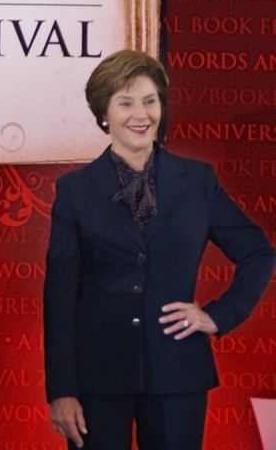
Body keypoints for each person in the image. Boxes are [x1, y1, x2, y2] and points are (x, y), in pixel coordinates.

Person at [43, 49, 275, 450]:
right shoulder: (74, 190)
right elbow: (60, 298)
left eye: (150, 101)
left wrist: (218, 315)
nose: (141, 114)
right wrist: (61, 390)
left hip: (178, 372)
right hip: (97, 378)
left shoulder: (197, 181)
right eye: (126, 103)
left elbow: (259, 253)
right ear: (103, 113)